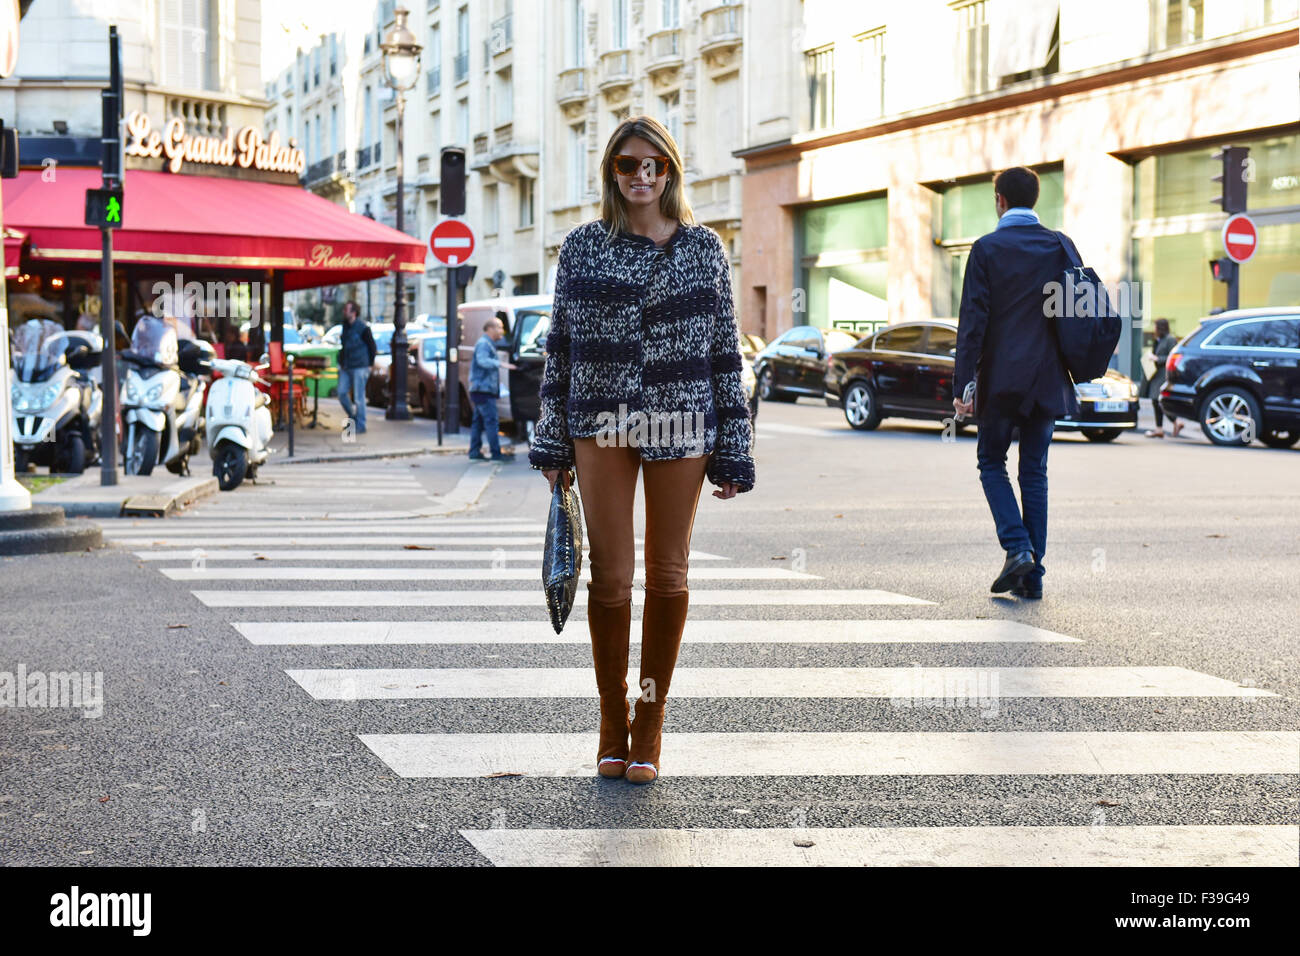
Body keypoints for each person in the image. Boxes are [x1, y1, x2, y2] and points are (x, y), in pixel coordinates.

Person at [529, 115, 755, 784]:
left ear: (671, 169)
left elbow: (724, 352)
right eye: (628, 164)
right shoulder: (582, 247)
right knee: (612, 577)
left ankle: (649, 723)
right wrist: (551, 442)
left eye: (653, 163)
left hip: (681, 422)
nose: (641, 175)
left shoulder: (704, 248)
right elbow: (559, 348)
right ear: (612, 172)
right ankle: (611, 718)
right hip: (600, 421)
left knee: (669, 573)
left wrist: (734, 449)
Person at [953, 166, 1080, 601]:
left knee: (991, 461)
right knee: (1035, 473)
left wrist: (963, 384)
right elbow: (1077, 313)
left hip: (1002, 380)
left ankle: (1018, 547)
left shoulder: (987, 249)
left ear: (999, 199)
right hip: (1047, 381)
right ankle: (1032, 578)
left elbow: (973, 322)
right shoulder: (1060, 245)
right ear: (1034, 200)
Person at [468, 316, 515, 460]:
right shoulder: (484, 344)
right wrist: (501, 364)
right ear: (491, 328)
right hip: (483, 390)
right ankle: (496, 454)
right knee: (491, 422)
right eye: (499, 327)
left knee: (478, 422)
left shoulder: (487, 343)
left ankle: (474, 452)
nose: (502, 330)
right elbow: (482, 361)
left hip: (481, 390)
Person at [337, 300, 377, 434]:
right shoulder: (345, 326)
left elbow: (372, 347)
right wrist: (341, 362)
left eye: (346, 309)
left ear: (353, 312)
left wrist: (370, 364)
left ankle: (361, 425)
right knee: (342, 393)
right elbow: (344, 346)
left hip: (360, 365)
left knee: (359, 397)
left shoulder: (363, 328)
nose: (344, 312)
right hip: (347, 366)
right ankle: (353, 415)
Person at [1143, 317, 1183, 438]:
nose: (1154, 329)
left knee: (1159, 401)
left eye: (1155, 326)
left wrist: (1157, 359)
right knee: (1156, 401)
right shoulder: (1159, 340)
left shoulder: (1170, 340)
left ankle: (1176, 422)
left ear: (1160, 327)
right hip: (1156, 374)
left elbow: (1174, 357)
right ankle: (1159, 428)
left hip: (1163, 375)